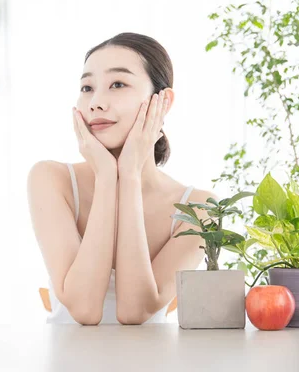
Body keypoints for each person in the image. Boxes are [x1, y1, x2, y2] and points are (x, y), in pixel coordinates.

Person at [27, 32, 217, 325]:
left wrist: (128, 176)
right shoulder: (52, 179)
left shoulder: (200, 207)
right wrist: (106, 178)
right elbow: (83, 308)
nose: (96, 103)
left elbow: (135, 311)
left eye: (118, 84)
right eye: (87, 87)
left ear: (162, 101)